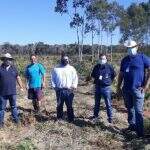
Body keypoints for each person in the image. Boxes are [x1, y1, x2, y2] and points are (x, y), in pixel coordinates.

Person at [117, 40, 150, 137]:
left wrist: (146, 86)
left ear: (136, 47)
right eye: (128, 48)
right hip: (126, 89)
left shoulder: (142, 58)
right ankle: (132, 126)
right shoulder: (125, 60)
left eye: (131, 48)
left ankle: (140, 134)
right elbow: (121, 74)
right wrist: (118, 87)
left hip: (138, 90)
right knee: (130, 109)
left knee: (138, 111)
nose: (130, 50)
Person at [51, 55, 78, 122]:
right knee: (59, 105)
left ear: (68, 60)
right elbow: (52, 79)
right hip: (59, 90)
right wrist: (54, 87)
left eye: (66, 59)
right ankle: (59, 118)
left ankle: (71, 119)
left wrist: (74, 86)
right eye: (64, 59)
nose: (65, 60)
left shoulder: (72, 68)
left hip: (69, 90)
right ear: (61, 60)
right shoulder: (56, 69)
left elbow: (75, 78)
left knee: (69, 106)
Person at [90, 54, 116, 123]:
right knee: (97, 103)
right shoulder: (96, 67)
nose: (102, 60)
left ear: (106, 59)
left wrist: (109, 82)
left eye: (103, 59)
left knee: (108, 103)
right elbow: (93, 76)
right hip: (97, 87)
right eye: (101, 58)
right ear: (99, 59)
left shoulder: (109, 67)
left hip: (106, 88)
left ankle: (110, 118)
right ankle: (95, 116)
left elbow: (113, 75)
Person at [0, 53, 24, 127]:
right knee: (1, 108)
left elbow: (18, 78)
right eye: (7, 59)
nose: (9, 61)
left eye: (10, 59)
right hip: (2, 93)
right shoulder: (0, 68)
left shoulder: (14, 68)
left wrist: (21, 87)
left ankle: (16, 120)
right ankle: (1, 123)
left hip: (12, 92)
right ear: (4, 60)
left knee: (13, 107)